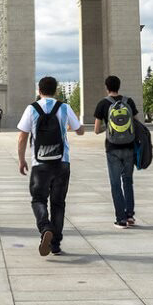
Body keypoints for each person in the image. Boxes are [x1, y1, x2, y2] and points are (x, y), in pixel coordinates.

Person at [17, 76, 85, 256]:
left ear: (39, 90)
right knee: (58, 203)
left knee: (38, 199)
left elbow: (22, 136)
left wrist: (21, 159)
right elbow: (79, 130)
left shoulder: (31, 109)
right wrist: (75, 128)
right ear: (55, 91)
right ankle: (55, 244)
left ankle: (45, 227)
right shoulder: (64, 107)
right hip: (62, 161)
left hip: (39, 163)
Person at [93, 75, 140, 228]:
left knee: (115, 184)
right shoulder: (129, 102)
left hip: (112, 148)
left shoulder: (102, 104)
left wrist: (109, 126)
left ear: (106, 87)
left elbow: (96, 130)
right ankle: (130, 215)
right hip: (129, 147)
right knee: (128, 181)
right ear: (119, 86)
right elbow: (136, 123)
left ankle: (121, 219)